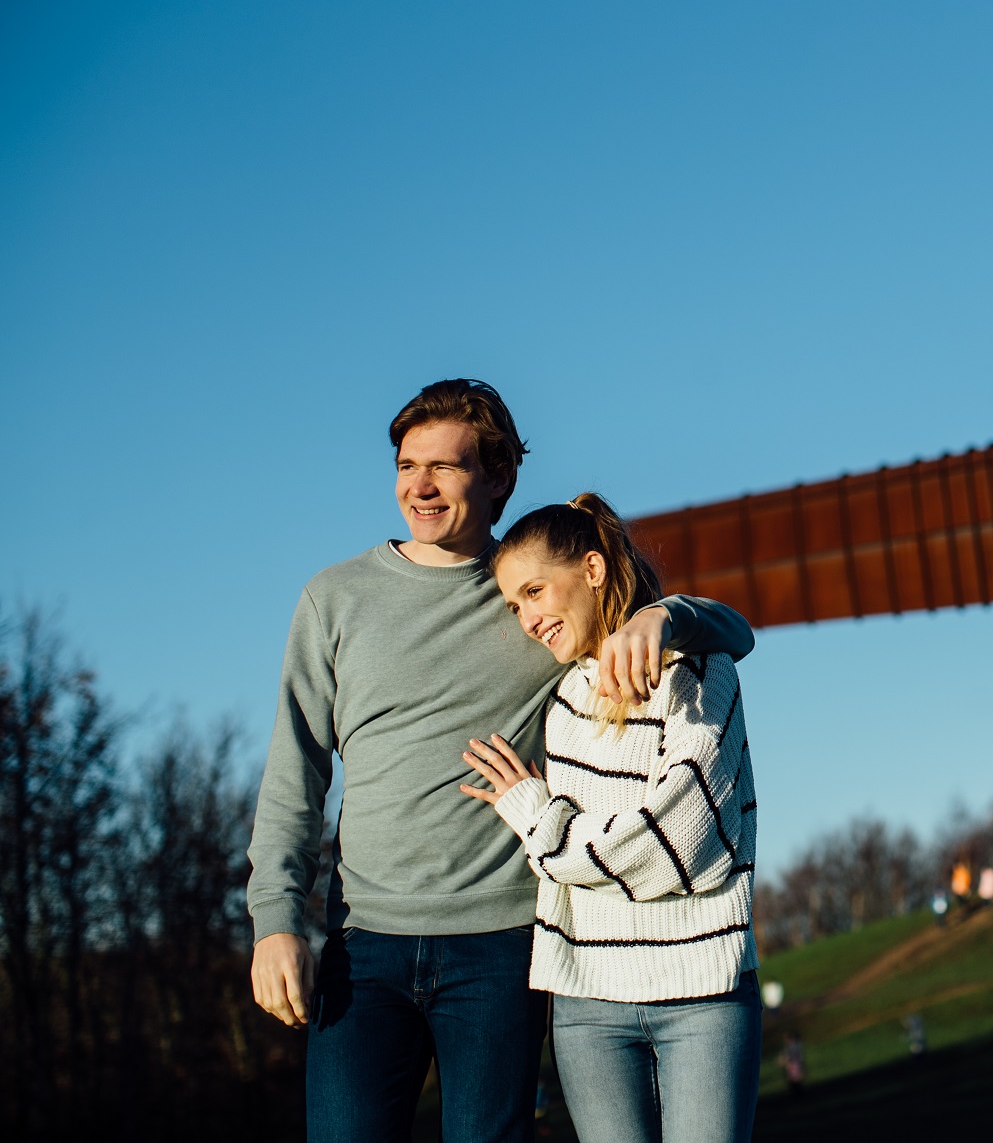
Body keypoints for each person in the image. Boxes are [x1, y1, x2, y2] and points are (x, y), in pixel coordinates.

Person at [245, 380, 754, 1143]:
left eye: (444, 468)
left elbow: (727, 633)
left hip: (503, 948)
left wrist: (662, 611)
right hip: (364, 945)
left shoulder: (531, 596)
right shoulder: (334, 599)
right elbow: (297, 769)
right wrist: (274, 919)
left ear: (499, 480)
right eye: (407, 464)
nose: (419, 485)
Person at [461, 493, 761, 1143]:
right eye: (515, 605)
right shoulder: (564, 700)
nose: (528, 618)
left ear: (593, 570)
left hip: (700, 992)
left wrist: (538, 820)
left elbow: (676, 846)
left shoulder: (699, 673)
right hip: (586, 1004)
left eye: (536, 591)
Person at [777, 1034, 806, 1099]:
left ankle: (798, 1094)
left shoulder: (792, 1047)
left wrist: (782, 1061)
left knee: (795, 1080)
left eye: (786, 1039)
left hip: (794, 1066)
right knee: (794, 1081)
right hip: (793, 1066)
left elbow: (789, 1057)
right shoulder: (790, 1046)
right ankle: (797, 1093)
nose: (785, 1041)